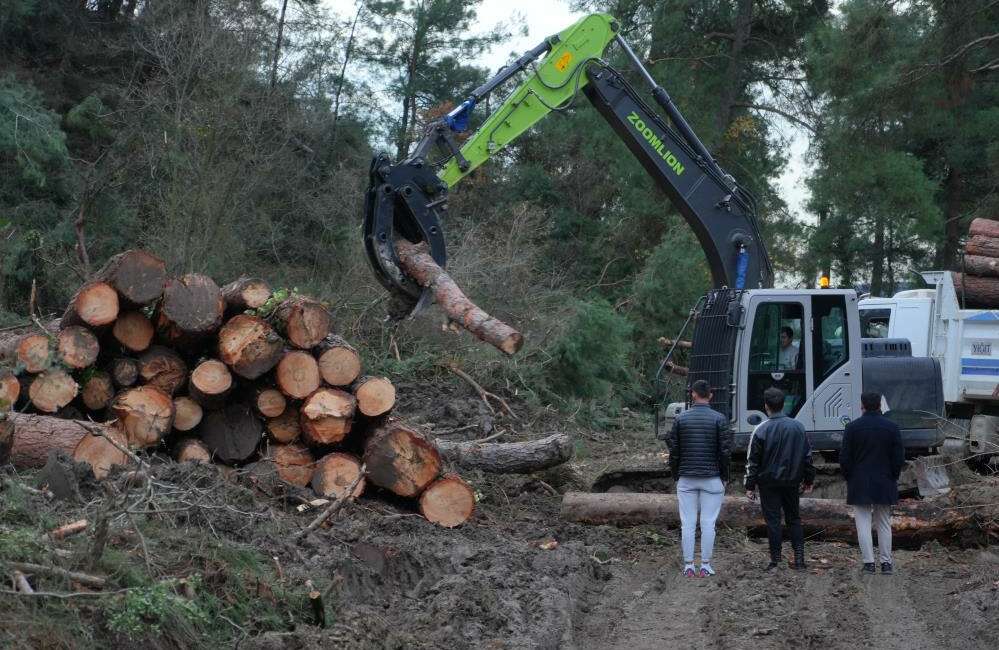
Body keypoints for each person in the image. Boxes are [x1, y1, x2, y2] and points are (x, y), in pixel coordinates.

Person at [665, 380, 733, 578]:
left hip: (686, 477)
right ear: (710, 395)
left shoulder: (681, 419)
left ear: (693, 394)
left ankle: (688, 566)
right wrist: (724, 476)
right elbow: (725, 452)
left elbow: (674, 451)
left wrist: (676, 474)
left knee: (687, 523)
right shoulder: (720, 419)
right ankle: (705, 565)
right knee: (708, 522)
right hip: (712, 478)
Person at [744, 387, 816, 571]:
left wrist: (749, 485)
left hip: (768, 483)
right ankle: (799, 560)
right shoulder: (798, 427)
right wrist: (809, 479)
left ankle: (775, 561)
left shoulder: (760, 430)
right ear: (784, 404)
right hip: (792, 481)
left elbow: (753, 461)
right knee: (794, 519)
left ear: (766, 406)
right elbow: (807, 456)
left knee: (773, 521)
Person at [841, 391, 905, 575]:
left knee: (863, 523)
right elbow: (898, 458)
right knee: (884, 523)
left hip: (859, 481)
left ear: (862, 405)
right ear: (879, 405)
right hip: (884, 481)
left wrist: (850, 477)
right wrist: (893, 476)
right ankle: (886, 563)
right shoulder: (892, 427)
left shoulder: (852, 428)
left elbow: (845, 458)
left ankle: (869, 563)